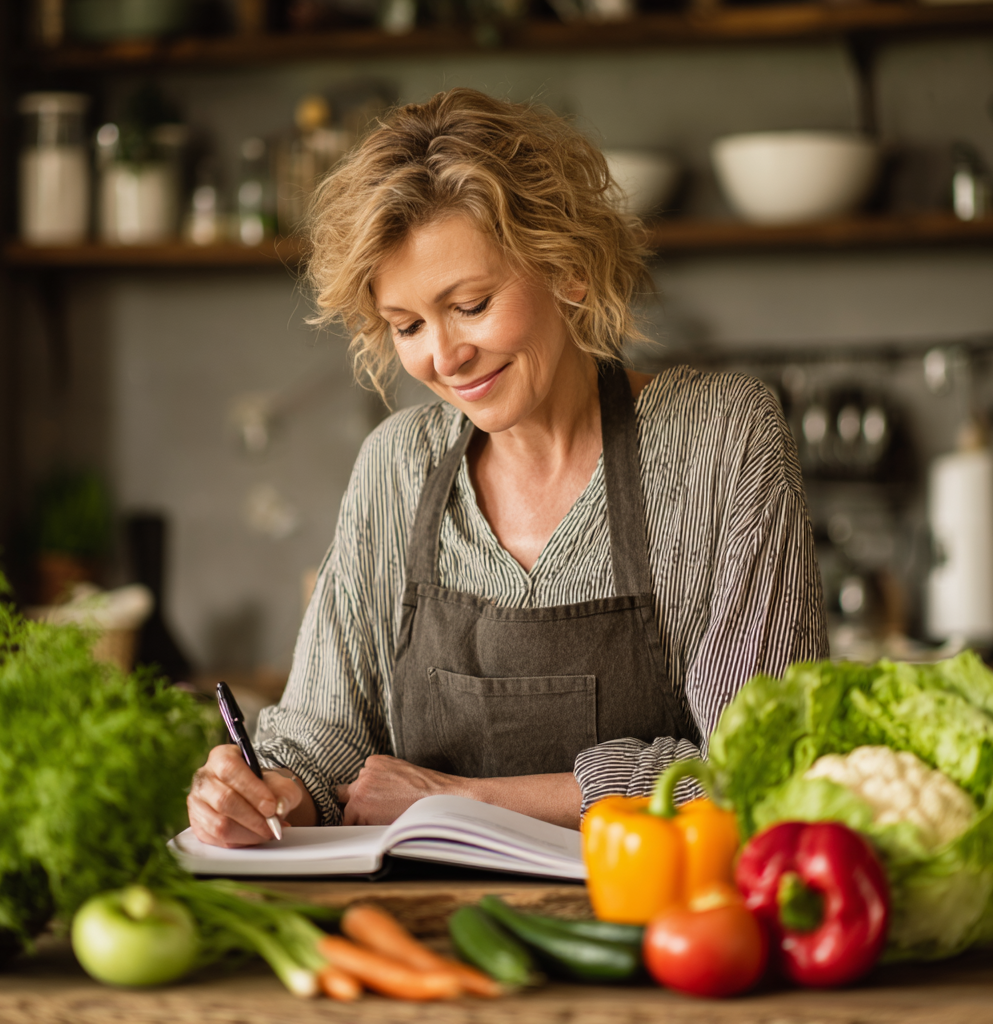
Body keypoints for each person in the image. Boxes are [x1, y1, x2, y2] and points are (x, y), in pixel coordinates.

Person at [186, 88, 827, 848]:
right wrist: (270, 791)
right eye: (409, 325)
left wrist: (457, 799)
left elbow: (761, 766)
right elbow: (322, 738)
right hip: (421, 936)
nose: (445, 356)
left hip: (656, 932)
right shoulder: (396, 466)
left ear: (569, 270)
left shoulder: (721, 437)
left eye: (472, 304)